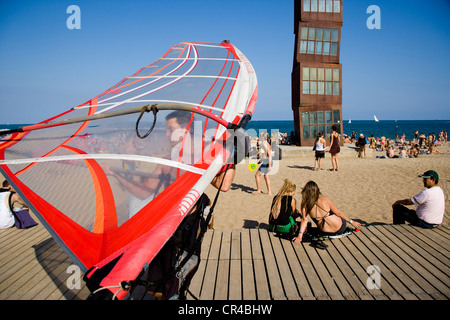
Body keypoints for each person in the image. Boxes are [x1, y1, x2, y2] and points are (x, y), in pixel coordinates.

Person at [293, 181, 361, 243]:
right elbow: (338, 213)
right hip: (340, 228)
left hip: (325, 231)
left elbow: (304, 220)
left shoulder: (305, 205)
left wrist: (300, 236)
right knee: (338, 216)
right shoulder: (325, 199)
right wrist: (352, 222)